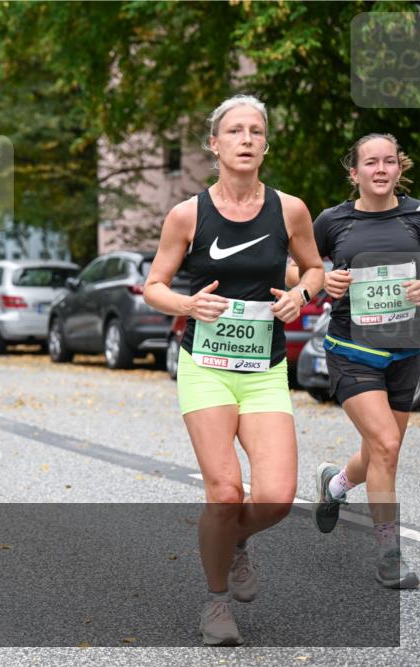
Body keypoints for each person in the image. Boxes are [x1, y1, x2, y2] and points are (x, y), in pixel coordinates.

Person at [142, 94, 324, 646]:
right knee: (224, 492)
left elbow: (315, 269)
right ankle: (216, 604)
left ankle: (235, 542)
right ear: (214, 144)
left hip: (264, 367)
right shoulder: (188, 214)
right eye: (235, 131)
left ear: (265, 145)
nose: (246, 139)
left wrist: (301, 295)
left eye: (256, 131)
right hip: (207, 367)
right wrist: (187, 305)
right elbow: (154, 286)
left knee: (276, 496)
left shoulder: (289, 209)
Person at [295, 133, 420, 589]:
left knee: (380, 452)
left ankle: (334, 486)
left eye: (389, 161)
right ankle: (389, 554)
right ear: (355, 173)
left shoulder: (416, 215)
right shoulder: (332, 221)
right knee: (386, 444)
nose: (381, 169)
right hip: (353, 351)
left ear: (399, 169)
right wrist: (326, 280)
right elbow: (297, 269)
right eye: (371, 162)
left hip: (407, 350)